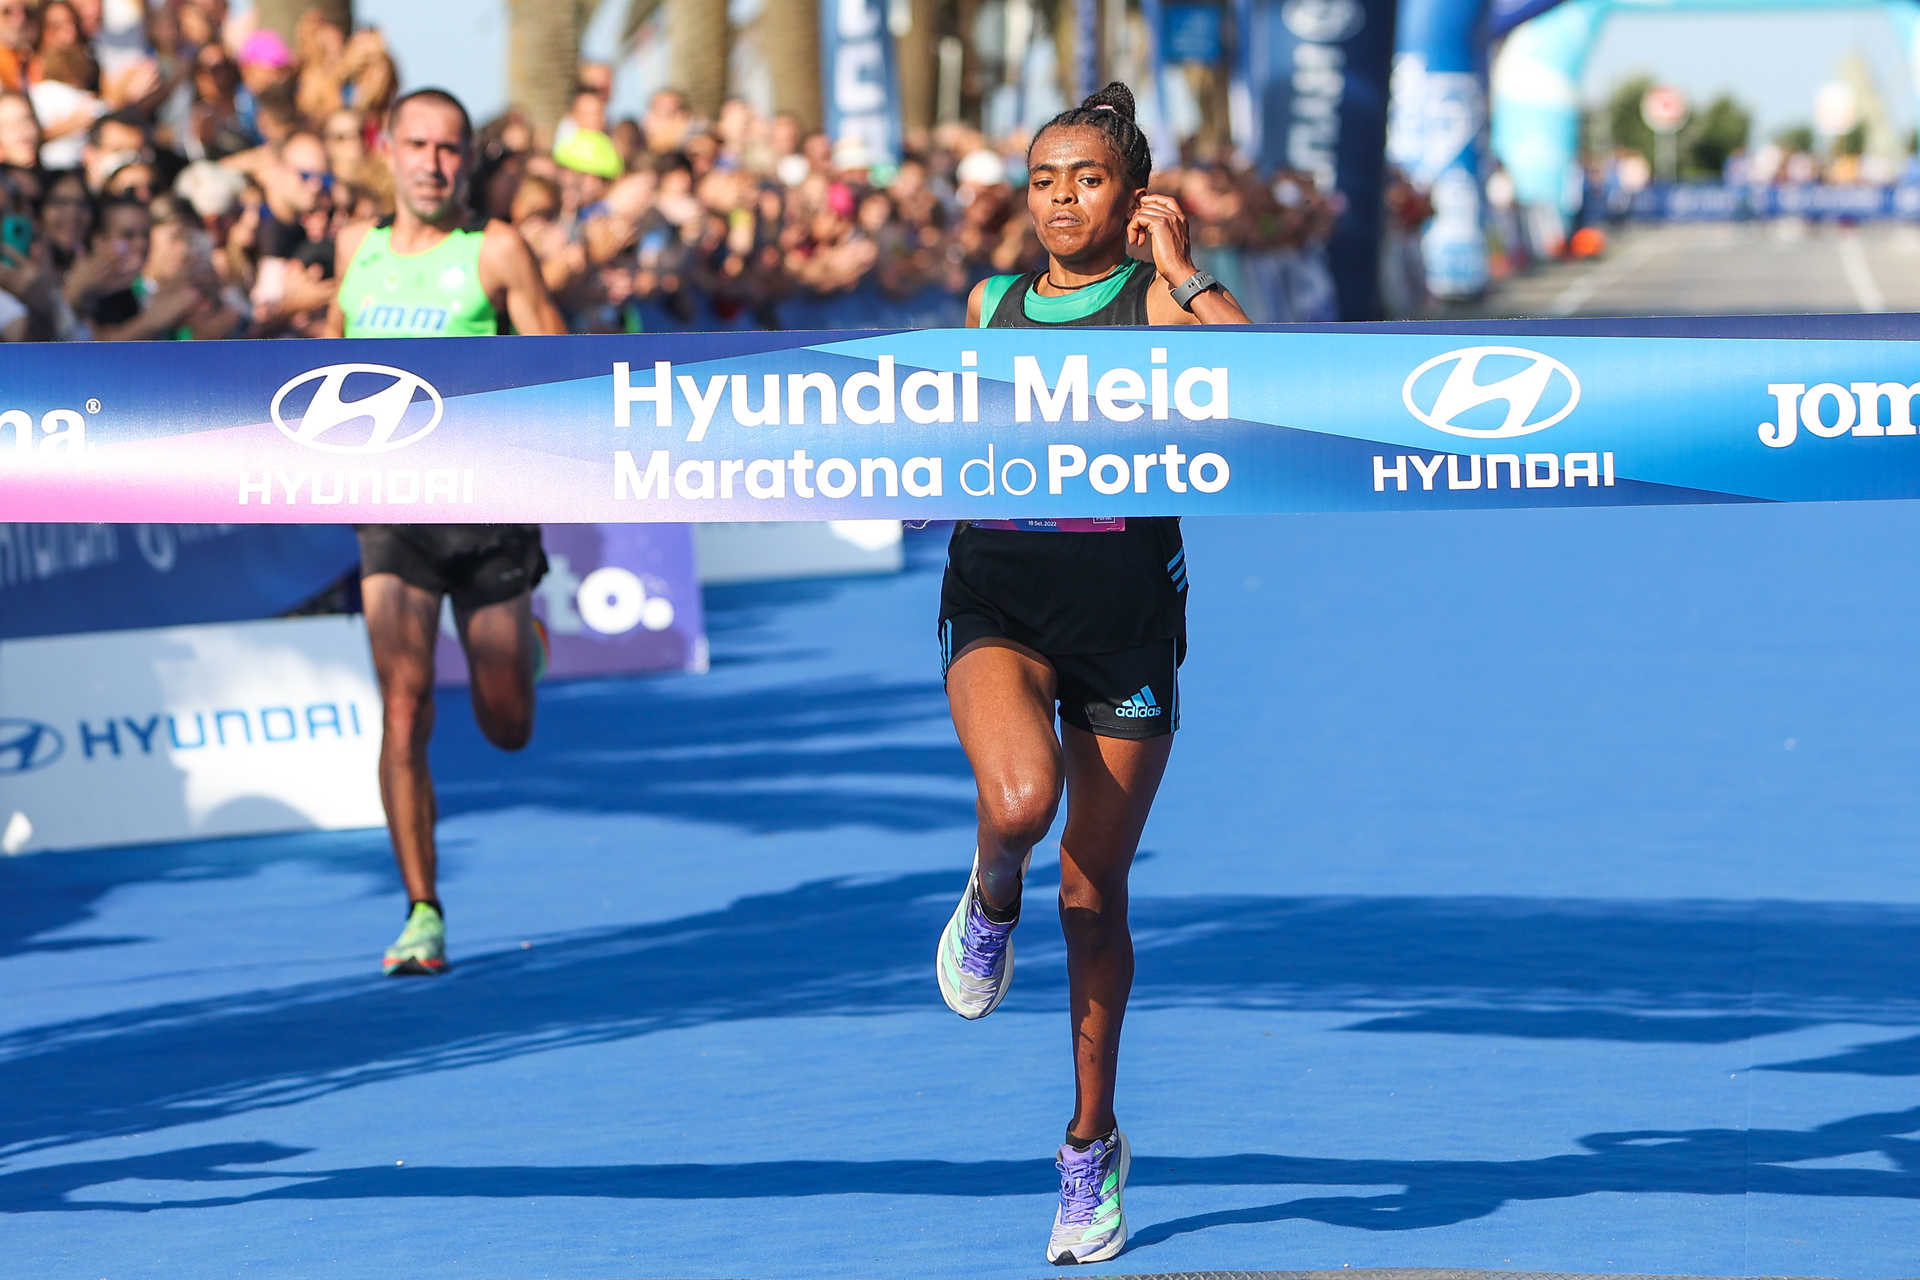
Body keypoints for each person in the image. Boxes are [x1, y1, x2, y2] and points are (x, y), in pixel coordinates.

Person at [932, 81, 1247, 1266]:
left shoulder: (1161, 309)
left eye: (1091, 178)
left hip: (1125, 621)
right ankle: (987, 883)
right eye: (1045, 179)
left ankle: (1090, 1144)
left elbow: (1262, 390)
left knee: (1093, 895)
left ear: (1133, 195)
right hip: (1002, 595)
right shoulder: (991, 304)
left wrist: (1186, 265)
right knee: (1019, 805)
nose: (1064, 198)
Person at [323, 87, 565, 976]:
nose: (433, 163)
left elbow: (561, 367)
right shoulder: (355, 250)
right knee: (405, 703)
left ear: (468, 159)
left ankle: (523, 647)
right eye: (417, 145)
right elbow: (322, 365)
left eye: (450, 148)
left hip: (489, 509)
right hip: (390, 512)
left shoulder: (495, 249)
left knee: (507, 724)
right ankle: (422, 909)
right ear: (386, 150)